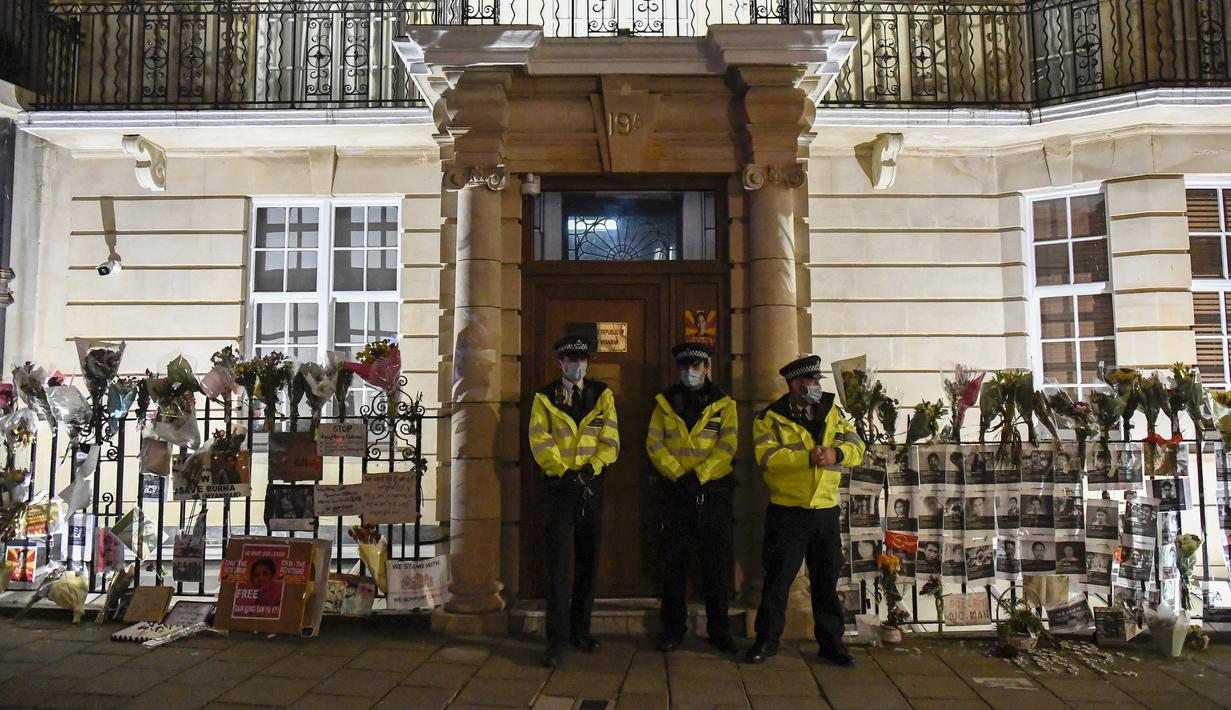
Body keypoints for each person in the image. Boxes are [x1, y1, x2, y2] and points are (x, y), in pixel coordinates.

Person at [748, 354, 865, 666]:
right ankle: (766, 640)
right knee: (777, 580)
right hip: (788, 510)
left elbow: (857, 446)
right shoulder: (770, 418)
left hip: (825, 510)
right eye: (810, 382)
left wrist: (836, 452)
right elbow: (766, 458)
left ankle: (831, 643)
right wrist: (806, 458)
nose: (815, 386)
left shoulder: (832, 412)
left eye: (817, 381)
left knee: (826, 581)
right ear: (795, 384)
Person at [528, 336, 620, 668]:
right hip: (559, 489)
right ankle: (556, 639)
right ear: (560, 363)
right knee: (557, 568)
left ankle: (581, 630)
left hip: (591, 487)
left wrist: (590, 470)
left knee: (588, 562)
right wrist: (564, 473)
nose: (577, 364)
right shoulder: (544, 397)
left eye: (581, 358)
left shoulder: (601, 395)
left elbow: (610, 439)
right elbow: (540, 439)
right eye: (570, 358)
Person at [646, 342, 738, 654]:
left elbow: (727, 447)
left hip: (712, 494)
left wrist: (699, 476)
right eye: (685, 366)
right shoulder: (664, 402)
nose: (691, 372)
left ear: (707, 368)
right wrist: (678, 474)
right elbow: (654, 444)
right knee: (674, 567)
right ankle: (673, 630)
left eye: (696, 366)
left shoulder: (724, 403)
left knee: (715, 567)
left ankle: (719, 631)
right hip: (676, 494)